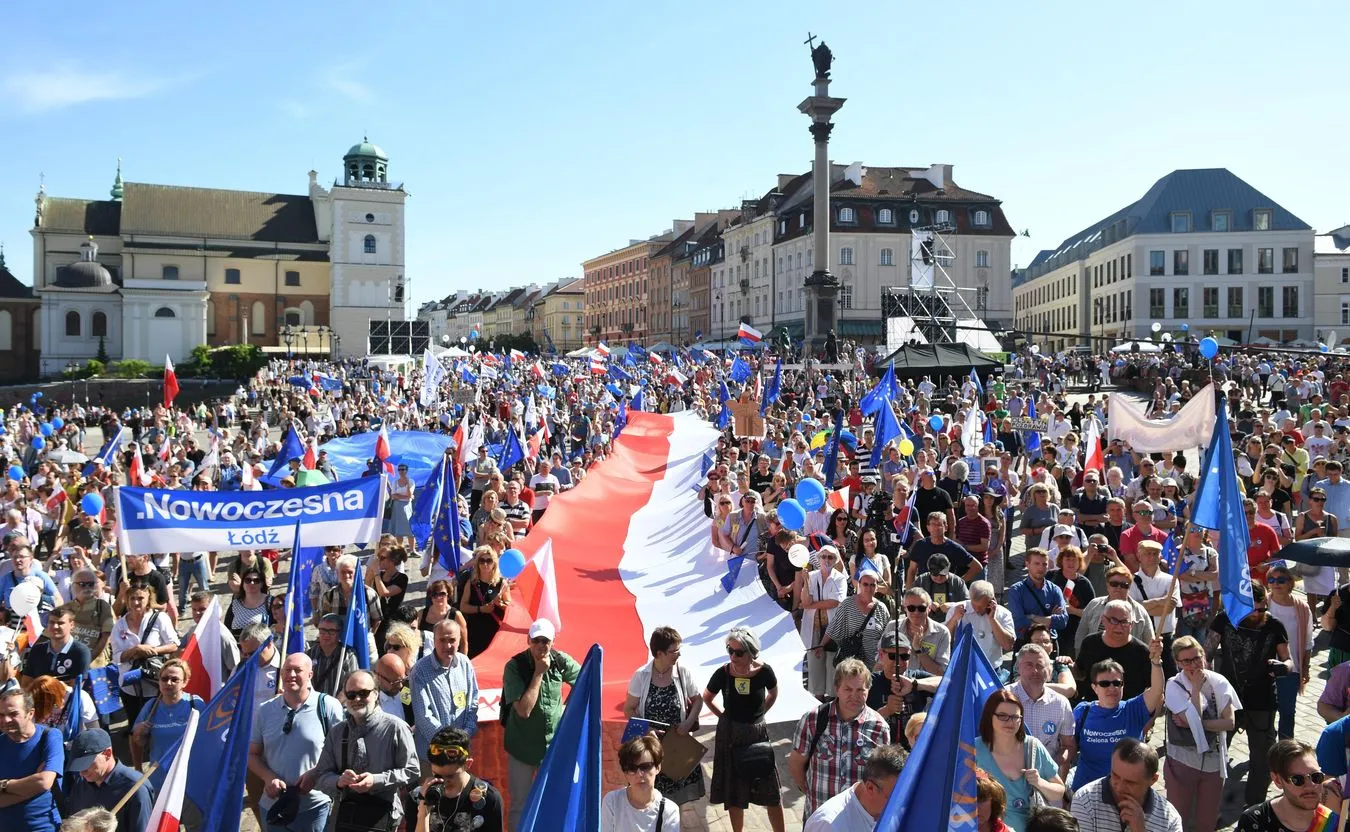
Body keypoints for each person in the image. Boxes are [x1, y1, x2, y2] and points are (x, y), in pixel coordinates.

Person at [1210, 581, 1291, 806]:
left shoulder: (1274, 626)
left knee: (1261, 756)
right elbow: (1205, 653)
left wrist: (1284, 666)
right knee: (1216, 753)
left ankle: (1254, 805)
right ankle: (1211, 799)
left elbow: (1289, 660)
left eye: (1262, 608)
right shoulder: (1224, 620)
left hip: (1262, 700)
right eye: (1253, 609)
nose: (1259, 613)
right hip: (1228, 700)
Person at [312, 669, 420, 832]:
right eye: (351, 694)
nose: (356, 699)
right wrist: (339, 781)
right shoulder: (337, 732)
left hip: (383, 818)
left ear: (376, 694)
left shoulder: (395, 728)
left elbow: (412, 771)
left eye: (363, 693)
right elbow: (321, 776)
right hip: (345, 818)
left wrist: (376, 780)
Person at [248, 653, 344, 832]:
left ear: (310, 675)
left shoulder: (329, 707)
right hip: (274, 807)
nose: (291, 675)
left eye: (297, 670)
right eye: (287, 670)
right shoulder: (265, 710)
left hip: (315, 807)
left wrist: (316, 773)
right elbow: (251, 754)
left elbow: (340, 753)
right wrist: (269, 778)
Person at [702, 625, 785, 832]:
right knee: (735, 792)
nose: (733, 656)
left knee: (770, 790)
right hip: (731, 737)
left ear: (751, 652)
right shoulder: (723, 673)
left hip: (757, 735)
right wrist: (723, 717)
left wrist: (760, 714)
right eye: (730, 650)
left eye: (738, 652)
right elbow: (707, 697)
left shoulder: (765, 671)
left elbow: (774, 693)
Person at [501, 618, 581, 832]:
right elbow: (524, 711)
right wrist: (538, 673)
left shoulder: (560, 660)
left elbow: (585, 680)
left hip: (552, 748)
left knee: (556, 799)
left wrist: (567, 709)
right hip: (522, 748)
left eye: (545, 641)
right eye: (536, 640)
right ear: (528, 640)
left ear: (553, 642)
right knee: (520, 804)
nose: (540, 646)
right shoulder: (515, 666)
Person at [787, 659, 890, 818]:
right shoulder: (813, 719)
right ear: (837, 689)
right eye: (848, 689)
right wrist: (809, 792)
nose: (854, 696)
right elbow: (796, 763)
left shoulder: (879, 728)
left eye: (860, 690)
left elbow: (881, 778)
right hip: (819, 818)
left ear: (869, 689)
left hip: (857, 820)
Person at [621, 626, 705, 809]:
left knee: (675, 804)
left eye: (678, 650)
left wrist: (688, 722)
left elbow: (698, 700)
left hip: (677, 747)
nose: (678, 655)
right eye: (673, 651)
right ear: (659, 653)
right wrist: (647, 729)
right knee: (648, 799)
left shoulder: (682, 672)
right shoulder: (641, 676)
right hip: (650, 749)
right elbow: (629, 709)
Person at [1161, 636, 1239, 832]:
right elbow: (1191, 719)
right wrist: (1195, 688)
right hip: (1182, 760)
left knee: (1207, 820)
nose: (1193, 665)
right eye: (1186, 661)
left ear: (1204, 656)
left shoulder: (1219, 682)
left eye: (1196, 658)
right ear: (1178, 663)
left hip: (1213, 761)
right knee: (1178, 819)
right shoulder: (1173, 684)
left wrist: (1197, 723)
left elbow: (1229, 723)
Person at [1069, 640, 1166, 793]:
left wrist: (1155, 661)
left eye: (1117, 683)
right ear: (1094, 687)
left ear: (1123, 685)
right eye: (1105, 683)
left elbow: (1157, 690)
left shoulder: (1133, 708)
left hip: (1126, 792)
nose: (1112, 688)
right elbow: (1070, 748)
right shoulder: (1082, 710)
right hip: (1086, 791)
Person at [974, 690, 1066, 832]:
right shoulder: (972, 750)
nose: (1010, 722)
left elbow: (1059, 791)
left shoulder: (1032, 746)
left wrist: (1039, 783)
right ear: (989, 716)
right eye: (1003, 716)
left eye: (1015, 717)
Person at [1069, 738, 1181, 832]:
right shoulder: (1084, 800)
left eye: (1130, 782)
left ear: (1153, 779)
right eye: (1115, 776)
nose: (1119, 787)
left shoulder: (1170, 819)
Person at [110, 583, 178, 731]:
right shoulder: (119, 625)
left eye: (140, 598)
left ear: (149, 599)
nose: (136, 602)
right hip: (129, 685)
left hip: (154, 684)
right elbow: (115, 657)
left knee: (157, 725)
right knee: (135, 726)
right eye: (132, 598)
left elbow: (173, 645)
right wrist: (135, 650)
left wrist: (152, 650)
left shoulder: (159, 618)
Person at [130, 659, 205, 792]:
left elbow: (208, 738)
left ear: (185, 682)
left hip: (190, 779)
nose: (168, 683)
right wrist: (138, 734)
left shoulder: (195, 704)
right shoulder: (151, 707)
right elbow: (138, 742)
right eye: (164, 679)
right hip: (159, 780)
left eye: (174, 679)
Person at [410, 619, 479, 763]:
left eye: (452, 640)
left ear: (459, 640)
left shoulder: (465, 663)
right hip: (432, 757)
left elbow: (473, 703)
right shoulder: (420, 671)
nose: (447, 645)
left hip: (461, 752)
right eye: (442, 640)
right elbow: (423, 716)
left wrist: (466, 734)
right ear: (434, 641)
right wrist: (449, 743)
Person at [414, 726, 504, 832]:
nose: (443, 782)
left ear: (468, 764)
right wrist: (423, 813)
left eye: (450, 776)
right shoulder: (418, 798)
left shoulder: (489, 798)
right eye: (437, 776)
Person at [61, 727, 153, 832]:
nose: (81, 773)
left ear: (107, 754)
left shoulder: (136, 788)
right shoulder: (81, 784)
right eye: (78, 766)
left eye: (86, 764)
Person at [1239, 739, 1342, 832]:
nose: (1310, 786)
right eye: (1298, 779)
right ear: (1278, 780)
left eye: (1316, 776)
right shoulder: (1255, 821)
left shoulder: (1334, 825)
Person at [802, 744, 906, 831]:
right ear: (870, 788)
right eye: (895, 796)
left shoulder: (893, 814)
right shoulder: (829, 825)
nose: (900, 803)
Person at [1010, 644, 1076, 782]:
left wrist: (1053, 767)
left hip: (1047, 780)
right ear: (1018, 668)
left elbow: (1068, 746)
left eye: (1040, 666)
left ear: (1050, 671)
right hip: (1010, 778)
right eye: (1029, 665)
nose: (1035, 671)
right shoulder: (1004, 698)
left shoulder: (1061, 703)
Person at [0, 687, 63, 832]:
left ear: (30, 713)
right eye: (1, 714)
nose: (5, 720)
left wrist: (4, 785)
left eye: (13, 714)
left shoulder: (49, 737)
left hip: (44, 827)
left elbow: (44, 782)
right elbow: (40, 784)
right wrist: (32, 786)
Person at [1265, 563, 1313, 740]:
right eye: (1271, 579)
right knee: (1266, 712)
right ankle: (1266, 746)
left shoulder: (1302, 608)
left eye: (1281, 580)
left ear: (1291, 583)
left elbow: (1308, 642)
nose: (1275, 583)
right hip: (1265, 667)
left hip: (1291, 669)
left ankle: (1285, 751)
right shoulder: (1263, 603)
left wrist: (1305, 668)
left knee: (1287, 712)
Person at [1074, 600, 1154, 701]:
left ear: (1132, 624)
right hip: (1095, 710)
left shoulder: (1142, 652)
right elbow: (1081, 674)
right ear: (1103, 620)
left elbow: (1153, 689)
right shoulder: (1090, 643)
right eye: (1114, 621)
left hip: (1129, 712)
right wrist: (1069, 666)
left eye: (1124, 622)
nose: (1119, 627)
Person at [600, 735, 680, 832]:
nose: (639, 774)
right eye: (632, 768)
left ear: (658, 768)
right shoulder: (612, 802)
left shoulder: (669, 810)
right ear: (625, 772)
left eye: (645, 766)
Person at [819, 568, 893, 671]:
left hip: (875, 665)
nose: (869, 588)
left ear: (877, 587)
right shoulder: (847, 604)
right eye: (865, 584)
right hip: (852, 664)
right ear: (859, 584)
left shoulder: (881, 608)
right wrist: (821, 645)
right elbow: (833, 627)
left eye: (872, 585)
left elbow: (888, 635)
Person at [798, 545, 848, 696]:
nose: (827, 560)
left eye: (830, 557)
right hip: (815, 627)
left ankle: (832, 701)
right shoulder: (811, 576)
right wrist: (805, 583)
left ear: (835, 560)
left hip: (832, 628)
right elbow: (804, 600)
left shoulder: (840, 578)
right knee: (814, 668)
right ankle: (817, 700)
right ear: (818, 559)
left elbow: (836, 602)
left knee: (832, 666)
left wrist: (811, 604)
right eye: (824, 557)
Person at [1076, 566, 1155, 652]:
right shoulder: (1094, 605)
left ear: (1129, 588)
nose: (1118, 588)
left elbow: (1150, 642)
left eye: (1124, 585)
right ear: (1107, 585)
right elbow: (1081, 635)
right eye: (1114, 584)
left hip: (1128, 659)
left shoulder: (1140, 611)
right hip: (1096, 658)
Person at [947, 580, 1016, 672]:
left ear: (992, 600)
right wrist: (954, 619)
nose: (978, 610)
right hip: (962, 668)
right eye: (975, 606)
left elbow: (1008, 645)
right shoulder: (956, 609)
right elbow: (945, 639)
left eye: (982, 606)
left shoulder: (1003, 614)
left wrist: (993, 620)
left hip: (991, 669)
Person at [1009, 548, 1069, 646]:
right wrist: (1050, 620)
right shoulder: (1016, 590)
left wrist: (1032, 617)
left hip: (1049, 642)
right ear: (1027, 564)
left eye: (1044, 564)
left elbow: (1062, 621)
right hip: (1025, 642)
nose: (1041, 568)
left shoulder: (1054, 589)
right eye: (1037, 564)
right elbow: (1018, 621)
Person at [458, 547, 510, 658]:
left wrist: (500, 604)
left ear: (494, 564)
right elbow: (463, 606)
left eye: (489, 561)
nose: (485, 564)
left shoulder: (502, 584)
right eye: (482, 561)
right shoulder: (471, 583)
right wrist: (480, 609)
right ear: (477, 563)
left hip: (495, 632)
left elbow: (510, 610)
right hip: (475, 631)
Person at [20, 606, 90, 682]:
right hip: (37, 693)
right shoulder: (37, 649)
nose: (55, 626)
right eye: (51, 622)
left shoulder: (80, 651)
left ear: (71, 625)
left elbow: (76, 688)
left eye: (60, 623)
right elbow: (26, 683)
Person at [307, 614, 358, 697]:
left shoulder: (347, 655)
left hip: (339, 705)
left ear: (340, 633)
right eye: (322, 630)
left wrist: (334, 705)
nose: (326, 635)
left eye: (331, 631)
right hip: (315, 703)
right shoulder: (310, 654)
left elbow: (353, 683)